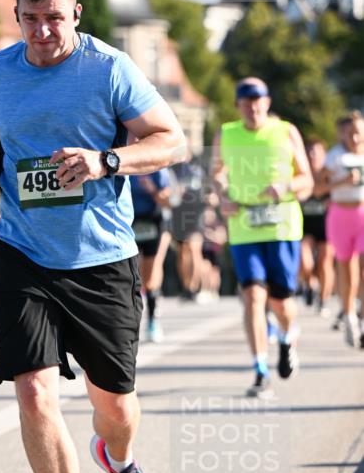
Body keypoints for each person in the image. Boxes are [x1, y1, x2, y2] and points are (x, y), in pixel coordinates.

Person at [0, 0, 185, 473]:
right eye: (30, 21)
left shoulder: (109, 68)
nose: (43, 33)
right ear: (17, 18)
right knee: (33, 390)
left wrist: (107, 159)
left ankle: (118, 456)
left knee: (115, 404)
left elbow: (171, 140)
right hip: (23, 252)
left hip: (102, 259)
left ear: (75, 13)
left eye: (54, 19)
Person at [212, 77, 313, 398]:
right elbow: (215, 173)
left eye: (258, 100)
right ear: (238, 105)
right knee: (253, 297)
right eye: (246, 101)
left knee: (281, 301)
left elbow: (307, 179)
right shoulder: (226, 133)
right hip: (243, 226)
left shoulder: (286, 131)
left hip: (281, 226)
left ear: (267, 103)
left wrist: (285, 187)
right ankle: (260, 369)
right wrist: (222, 194)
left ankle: (287, 335)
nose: (253, 106)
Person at [320, 112, 364, 347]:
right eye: (350, 133)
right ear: (343, 134)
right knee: (348, 271)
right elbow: (318, 187)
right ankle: (349, 317)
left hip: (363, 214)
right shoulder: (335, 157)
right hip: (340, 215)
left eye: (358, 131)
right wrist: (342, 182)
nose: (355, 137)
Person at [129, 170, 172, 342]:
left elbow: (167, 202)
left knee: (151, 275)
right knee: (131, 273)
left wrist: (152, 189)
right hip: (129, 222)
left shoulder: (158, 170)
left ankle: (153, 321)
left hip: (153, 223)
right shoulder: (122, 159)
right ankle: (131, 324)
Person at [298, 139, 334, 316]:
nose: (312, 155)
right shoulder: (301, 175)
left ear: (324, 155)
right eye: (309, 151)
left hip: (327, 225)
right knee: (305, 261)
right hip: (305, 225)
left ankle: (324, 299)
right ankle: (310, 283)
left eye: (316, 152)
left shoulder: (330, 176)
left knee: (325, 260)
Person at [169, 149, 208, 302]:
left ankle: (195, 287)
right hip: (178, 213)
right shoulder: (172, 170)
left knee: (194, 248)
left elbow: (208, 188)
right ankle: (186, 287)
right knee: (183, 252)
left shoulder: (198, 168)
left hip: (196, 213)